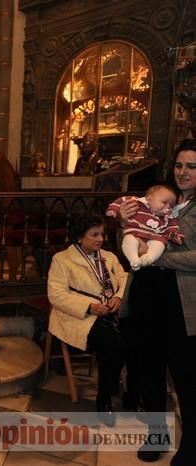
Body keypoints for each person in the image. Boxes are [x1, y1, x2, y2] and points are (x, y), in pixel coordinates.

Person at [118, 138, 196, 465]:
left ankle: (191, 446)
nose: (183, 172)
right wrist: (123, 222)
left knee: (186, 377)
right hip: (147, 297)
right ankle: (156, 436)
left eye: (192, 166)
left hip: (180, 303)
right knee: (149, 372)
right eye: (179, 165)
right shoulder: (157, 197)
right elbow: (130, 246)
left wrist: (160, 259)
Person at [47, 214, 128, 426]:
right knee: (113, 343)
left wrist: (119, 296)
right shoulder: (62, 259)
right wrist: (90, 307)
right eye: (95, 234)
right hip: (77, 316)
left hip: (110, 312)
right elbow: (56, 294)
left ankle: (131, 393)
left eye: (102, 234)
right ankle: (104, 397)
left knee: (133, 339)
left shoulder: (109, 257)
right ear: (79, 236)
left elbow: (125, 278)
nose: (100, 238)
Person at [106, 185, 183, 270]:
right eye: (164, 202)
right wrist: (113, 209)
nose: (168, 207)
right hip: (135, 233)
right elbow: (122, 201)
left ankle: (148, 258)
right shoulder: (138, 202)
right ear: (149, 199)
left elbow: (173, 228)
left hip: (155, 238)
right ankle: (133, 259)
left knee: (160, 244)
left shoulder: (169, 217)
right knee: (129, 239)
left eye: (171, 206)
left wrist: (176, 236)